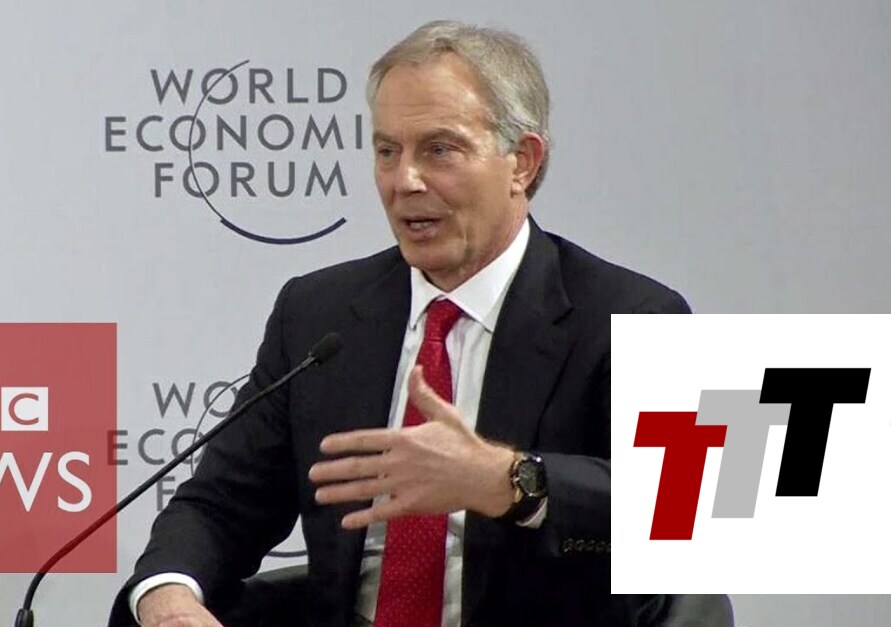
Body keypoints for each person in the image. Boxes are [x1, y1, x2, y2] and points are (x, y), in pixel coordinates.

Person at [111, 20, 689, 627]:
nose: (403, 181)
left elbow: (691, 513)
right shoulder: (317, 312)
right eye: (387, 151)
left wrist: (509, 482)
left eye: (439, 150)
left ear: (522, 161)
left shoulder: (639, 315)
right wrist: (169, 598)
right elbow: (222, 503)